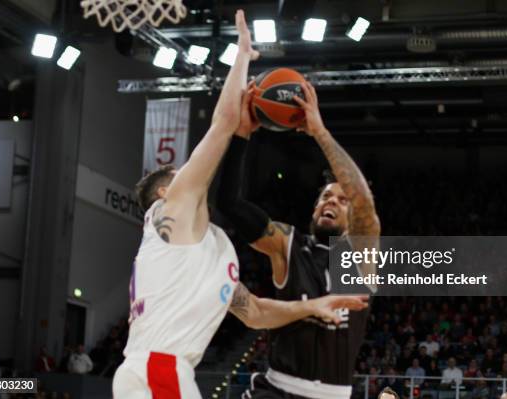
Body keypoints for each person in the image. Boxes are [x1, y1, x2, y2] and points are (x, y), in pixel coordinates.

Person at [112, 10, 368, 399]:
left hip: (168, 371)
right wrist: (243, 55)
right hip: (157, 368)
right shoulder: (172, 211)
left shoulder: (209, 250)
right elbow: (223, 121)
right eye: (176, 174)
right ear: (165, 194)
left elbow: (258, 313)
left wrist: (314, 305)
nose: (187, 175)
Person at [218, 76, 380, 399]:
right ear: (313, 209)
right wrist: (241, 135)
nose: (331, 201)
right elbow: (229, 204)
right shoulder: (287, 244)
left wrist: (319, 132)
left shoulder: (360, 258)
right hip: (278, 389)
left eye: (340, 199)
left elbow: (364, 202)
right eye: (324, 197)